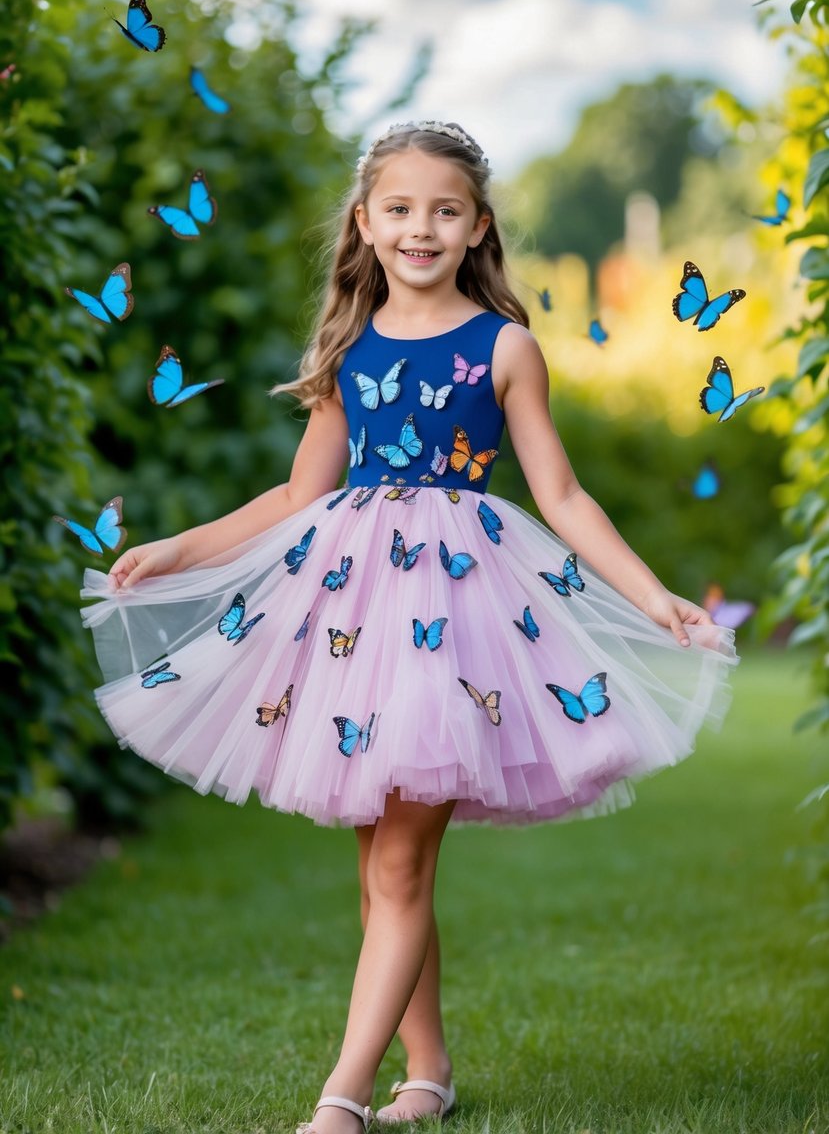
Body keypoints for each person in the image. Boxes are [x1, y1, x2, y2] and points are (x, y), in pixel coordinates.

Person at [81, 121, 737, 1134]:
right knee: (379, 858)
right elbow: (301, 491)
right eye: (399, 208)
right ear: (365, 222)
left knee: (398, 862)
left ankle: (339, 1098)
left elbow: (560, 496)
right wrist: (178, 548)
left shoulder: (505, 346)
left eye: (443, 209)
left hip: (461, 609)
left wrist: (654, 598)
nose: (419, 227)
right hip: (350, 608)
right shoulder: (349, 346)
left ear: (477, 226)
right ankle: (425, 1072)